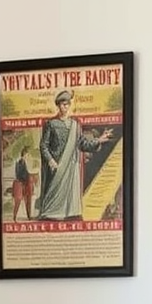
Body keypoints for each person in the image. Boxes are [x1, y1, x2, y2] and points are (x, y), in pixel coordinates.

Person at [37, 89, 113, 221]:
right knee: (52, 202)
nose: (65, 107)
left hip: (71, 167)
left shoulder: (75, 125)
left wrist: (99, 140)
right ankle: (51, 215)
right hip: (57, 166)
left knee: (71, 207)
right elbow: (44, 145)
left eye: (67, 104)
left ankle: (70, 214)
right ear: (58, 105)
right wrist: (50, 160)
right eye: (62, 104)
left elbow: (82, 144)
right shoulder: (51, 124)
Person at [11, 151, 34, 221]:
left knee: (28, 200)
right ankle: (14, 217)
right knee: (18, 201)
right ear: (24, 155)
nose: (28, 157)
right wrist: (27, 177)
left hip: (25, 184)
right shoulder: (19, 163)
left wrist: (29, 176)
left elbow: (26, 173)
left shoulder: (25, 163)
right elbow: (18, 174)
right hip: (20, 183)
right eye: (27, 155)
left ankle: (29, 216)